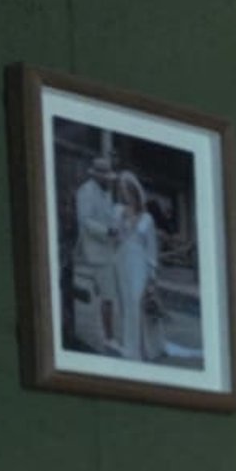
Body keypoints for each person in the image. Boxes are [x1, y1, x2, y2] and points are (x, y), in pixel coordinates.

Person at [71, 144, 123, 352]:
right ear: (97, 175)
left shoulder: (106, 193)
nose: (108, 180)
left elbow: (109, 217)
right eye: (106, 177)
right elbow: (85, 221)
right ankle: (108, 337)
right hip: (96, 252)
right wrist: (107, 231)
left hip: (109, 250)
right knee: (107, 296)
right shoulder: (86, 191)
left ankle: (108, 334)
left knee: (108, 296)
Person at [113, 170, 160, 361]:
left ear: (134, 190)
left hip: (139, 264)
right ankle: (130, 347)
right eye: (121, 190)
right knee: (126, 304)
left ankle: (140, 349)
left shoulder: (147, 219)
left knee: (135, 302)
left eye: (127, 190)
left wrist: (152, 274)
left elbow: (151, 249)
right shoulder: (118, 211)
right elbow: (115, 238)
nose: (124, 194)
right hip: (121, 261)